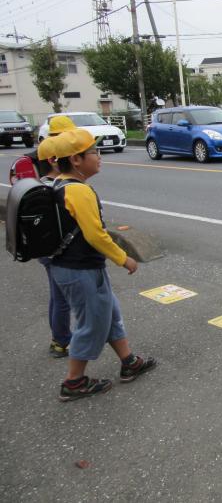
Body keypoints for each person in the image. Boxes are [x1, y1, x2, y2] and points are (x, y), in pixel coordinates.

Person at [49, 128, 156, 401]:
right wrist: (124, 258)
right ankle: (73, 382)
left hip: (72, 267)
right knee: (92, 323)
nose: (99, 156)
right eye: (94, 152)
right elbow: (95, 234)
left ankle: (129, 361)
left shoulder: (58, 184)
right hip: (80, 269)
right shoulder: (78, 191)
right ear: (75, 159)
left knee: (108, 313)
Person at [37, 132, 73, 358]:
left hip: (45, 251)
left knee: (56, 294)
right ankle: (61, 341)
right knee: (61, 298)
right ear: (53, 160)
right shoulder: (56, 188)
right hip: (58, 252)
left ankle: (57, 339)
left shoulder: (40, 184)